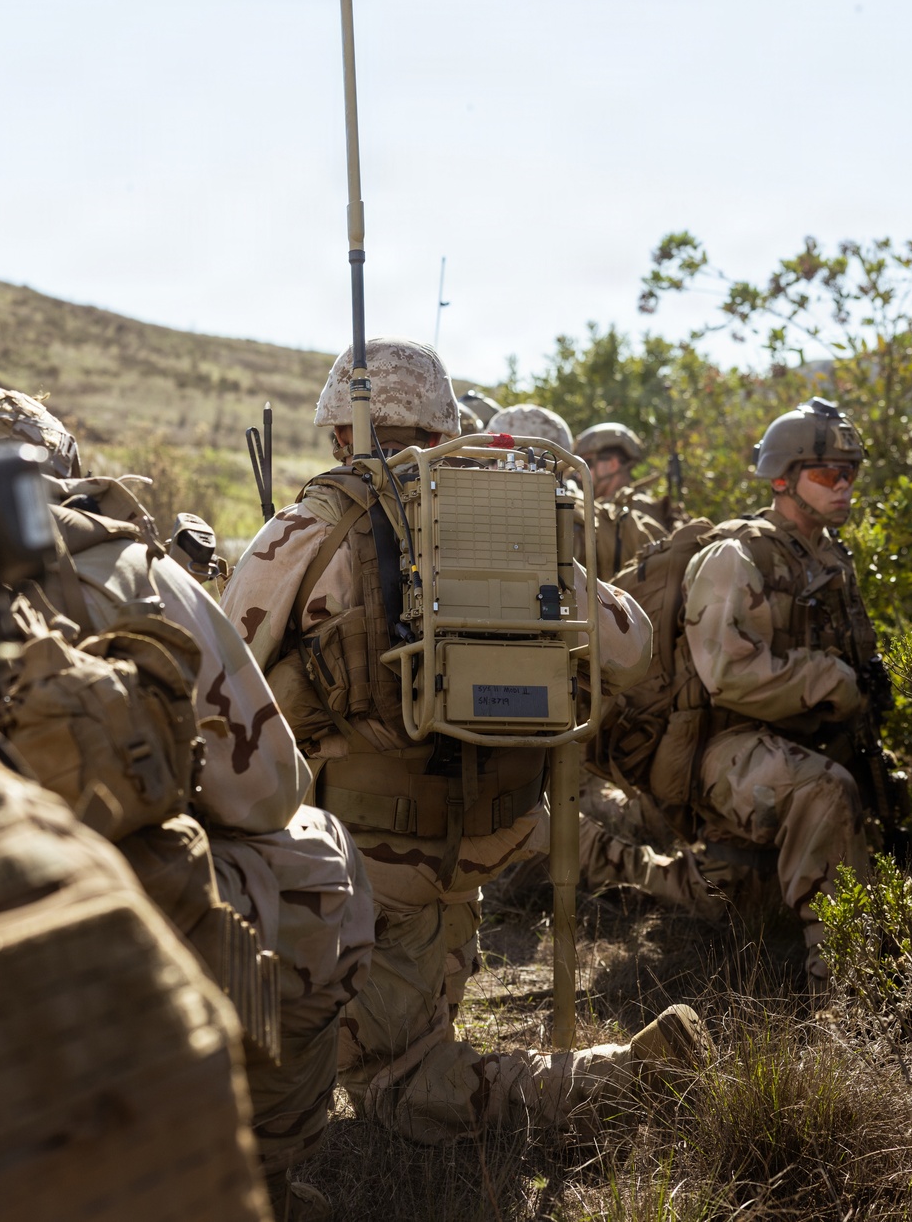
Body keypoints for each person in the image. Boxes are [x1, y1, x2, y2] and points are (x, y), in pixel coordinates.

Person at [222, 337, 710, 1143]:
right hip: (495, 831)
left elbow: (231, 680)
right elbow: (631, 643)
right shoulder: (514, 523)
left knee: (386, 1079)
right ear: (444, 424)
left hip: (372, 851)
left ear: (343, 430)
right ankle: (421, 1005)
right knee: (409, 994)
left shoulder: (309, 527)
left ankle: (624, 1077)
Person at [0, 388, 375, 1213]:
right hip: (97, 929)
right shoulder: (121, 566)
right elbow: (266, 792)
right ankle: (264, 1166)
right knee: (318, 857)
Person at [589, 398, 877, 982]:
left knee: (736, 897)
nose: (843, 486)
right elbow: (728, 672)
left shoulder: (829, 560)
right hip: (719, 746)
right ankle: (850, 991)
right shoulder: (736, 556)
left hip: (784, 741)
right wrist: (829, 680)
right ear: (782, 479)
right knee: (825, 794)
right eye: (827, 473)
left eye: (850, 473)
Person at [574, 423, 669, 580]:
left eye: (587, 463)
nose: (579, 474)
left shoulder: (638, 507)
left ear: (612, 464)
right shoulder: (605, 506)